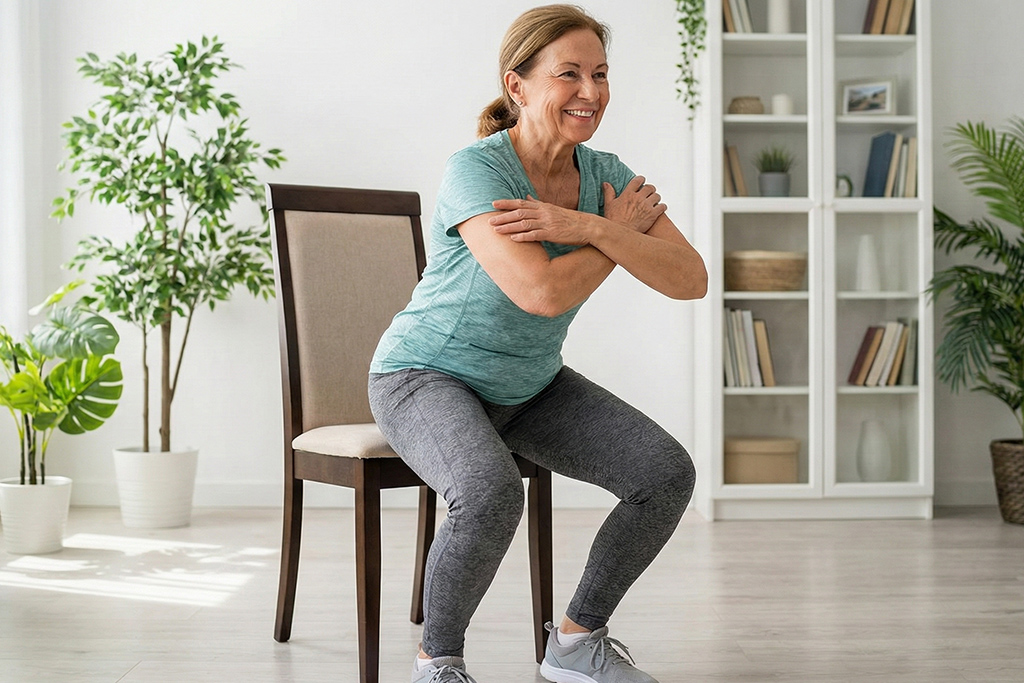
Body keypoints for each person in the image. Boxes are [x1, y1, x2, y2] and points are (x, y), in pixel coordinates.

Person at [368, 5, 707, 682]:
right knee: (491, 491)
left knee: (664, 472)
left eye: (601, 73)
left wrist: (593, 226)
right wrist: (611, 232)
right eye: (570, 74)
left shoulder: (604, 175)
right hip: (424, 375)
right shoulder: (478, 170)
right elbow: (542, 293)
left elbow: (691, 278)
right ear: (517, 86)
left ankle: (576, 642)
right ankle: (439, 661)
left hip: (528, 384)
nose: (591, 91)